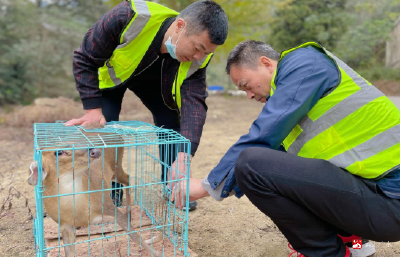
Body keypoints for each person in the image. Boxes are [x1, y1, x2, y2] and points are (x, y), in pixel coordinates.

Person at [172, 40, 400, 256]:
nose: (249, 95)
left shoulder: (305, 62)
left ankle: (327, 254)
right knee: (267, 169)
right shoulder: (298, 114)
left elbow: (259, 145)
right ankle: (356, 243)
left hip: (390, 202)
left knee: (250, 161)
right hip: (374, 201)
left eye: (246, 85)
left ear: (266, 63)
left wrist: (204, 187)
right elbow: (269, 172)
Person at [65, 0, 228, 210]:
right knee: (104, 128)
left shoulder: (200, 56)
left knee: (171, 121)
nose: (199, 56)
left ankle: (173, 185)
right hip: (114, 77)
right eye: (197, 48)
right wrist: (92, 110)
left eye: (205, 53)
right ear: (180, 26)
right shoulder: (128, 16)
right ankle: (110, 188)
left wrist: (184, 156)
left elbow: (194, 102)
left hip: (157, 82)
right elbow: (85, 58)